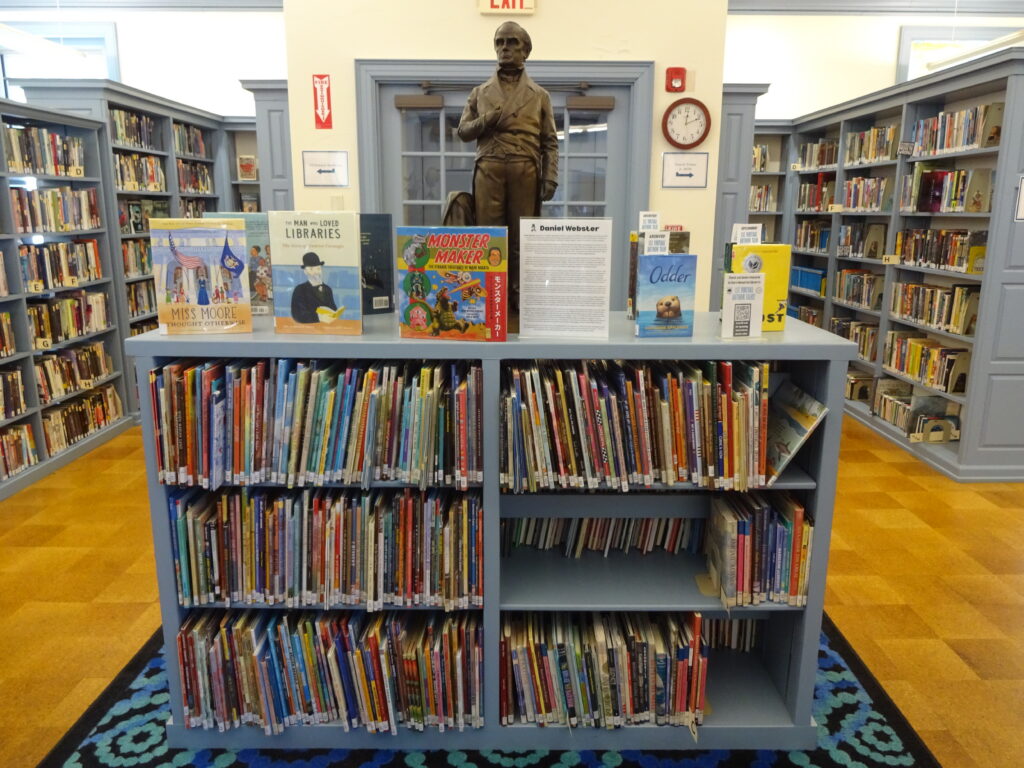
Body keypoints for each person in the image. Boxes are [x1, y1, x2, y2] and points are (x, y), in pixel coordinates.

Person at [457, 21, 558, 315]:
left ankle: (517, 299)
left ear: (525, 50)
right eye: (500, 42)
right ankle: (489, 297)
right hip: (489, 168)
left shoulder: (539, 95)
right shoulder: (480, 92)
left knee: (521, 238)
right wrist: (486, 120)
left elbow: (550, 141)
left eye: (512, 42)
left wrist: (550, 177)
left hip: (525, 169)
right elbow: (463, 132)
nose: (505, 48)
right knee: (489, 237)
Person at [291, 251, 337, 323]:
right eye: (311, 269)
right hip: (308, 327)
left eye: (318, 268)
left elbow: (333, 309)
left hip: (327, 327)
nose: (316, 272)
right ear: (305, 271)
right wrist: (318, 317)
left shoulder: (328, 289)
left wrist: (334, 314)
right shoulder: (300, 290)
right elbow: (298, 315)